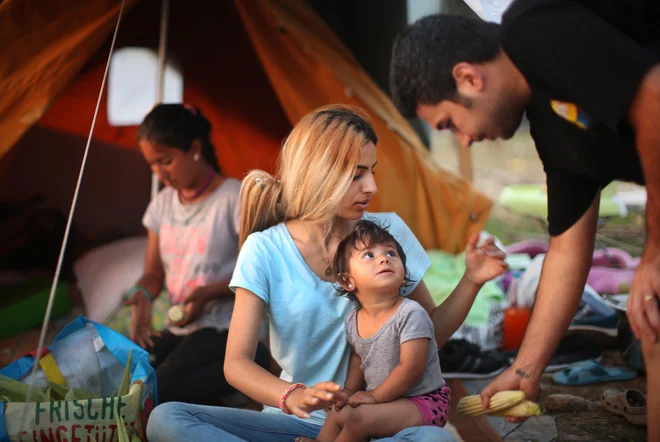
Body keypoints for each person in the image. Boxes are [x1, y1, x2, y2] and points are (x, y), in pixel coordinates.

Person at [146, 104, 507, 442]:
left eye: (372, 171)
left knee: (435, 438)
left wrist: (472, 280)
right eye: (357, 174)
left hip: (376, 422)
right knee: (166, 418)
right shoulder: (265, 249)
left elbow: (429, 331)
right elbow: (237, 364)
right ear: (318, 172)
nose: (372, 187)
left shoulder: (388, 234)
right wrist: (291, 396)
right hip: (293, 425)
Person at [389, 1, 660, 438]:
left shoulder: (533, 30)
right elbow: (569, 251)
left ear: (468, 78)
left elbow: (654, 102)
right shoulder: (551, 127)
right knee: (652, 323)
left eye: (451, 124)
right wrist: (525, 369)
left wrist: (654, 253)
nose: (466, 139)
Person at [298, 219, 503, 442]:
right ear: (347, 281)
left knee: (360, 418)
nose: (384, 258)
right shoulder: (353, 318)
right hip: (387, 401)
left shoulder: (410, 313)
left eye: (391, 253)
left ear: (404, 272)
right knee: (339, 412)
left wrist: (374, 397)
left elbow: (411, 368)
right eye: (369, 255)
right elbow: (358, 356)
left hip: (423, 402)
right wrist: (349, 390)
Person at [124, 103, 269, 405]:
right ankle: (247, 372)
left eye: (165, 161)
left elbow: (257, 273)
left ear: (194, 148)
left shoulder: (234, 198)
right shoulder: (162, 204)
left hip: (226, 327)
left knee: (159, 392)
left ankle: (257, 360)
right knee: (132, 381)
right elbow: (153, 274)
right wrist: (142, 294)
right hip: (183, 326)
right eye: (151, 164)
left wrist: (208, 294)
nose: (159, 173)